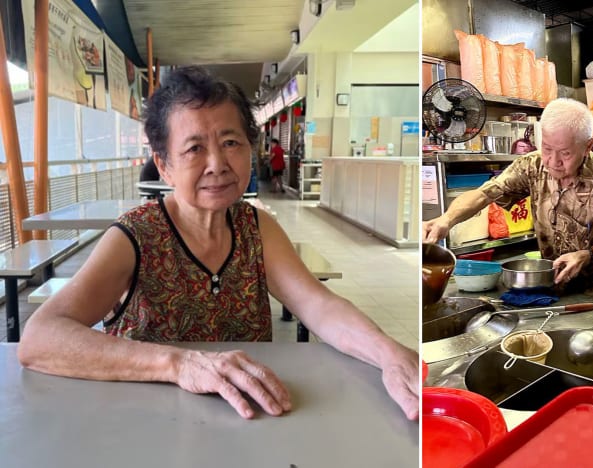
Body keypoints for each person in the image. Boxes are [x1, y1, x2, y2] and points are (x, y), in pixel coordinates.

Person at [17, 66, 419, 421]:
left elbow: (319, 305)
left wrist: (389, 354)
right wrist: (178, 364)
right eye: (194, 148)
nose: (217, 164)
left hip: (247, 418)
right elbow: (41, 338)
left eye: (230, 142)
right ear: (165, 165)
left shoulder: (256, 227)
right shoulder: (134, 236)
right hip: (143, 425)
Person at [422, 98, 593, 297]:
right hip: (550, 286)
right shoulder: (533, 165)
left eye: (565, 153)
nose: (553, 161)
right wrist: (446, 220)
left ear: (588, 146)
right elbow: (483, 195)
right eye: (547, 148)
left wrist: (588, 256)